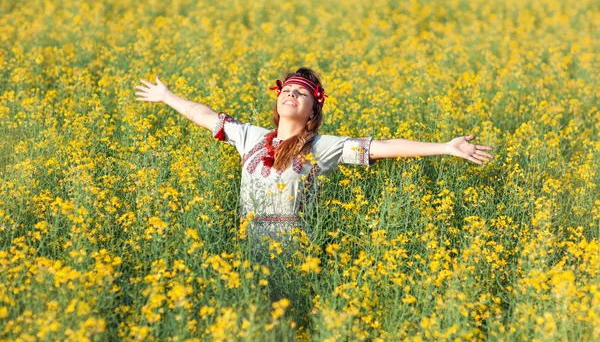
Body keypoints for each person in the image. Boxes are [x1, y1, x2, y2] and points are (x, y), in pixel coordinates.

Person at [135, 67, 494, 243]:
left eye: (300, 94)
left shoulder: (323, 147)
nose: (291, 95)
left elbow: (383, 147)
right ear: (277, 101)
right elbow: (205, 114)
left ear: (312, 111)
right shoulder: (251, 137)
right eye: (287, 90)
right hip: (247, 241)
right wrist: (168, 96)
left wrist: (447, 147)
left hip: (291, 246)